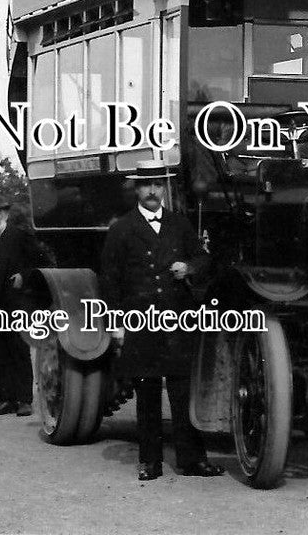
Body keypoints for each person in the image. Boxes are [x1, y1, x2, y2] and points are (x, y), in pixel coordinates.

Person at [99, 160, 223, 481]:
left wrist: (189, 267)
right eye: (146, 185)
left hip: (176, 322)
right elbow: (109, 281)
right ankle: (149, 461)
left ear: (164, 187)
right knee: (148, 394)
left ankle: (192, 460)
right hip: (140, 324)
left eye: (157, 184)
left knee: (183, 393)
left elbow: (203, 258)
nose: (152, 190)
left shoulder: (179, 224)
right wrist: (116, 324)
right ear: (137, 189)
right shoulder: (121, 229)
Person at [0, 193, 43, 417]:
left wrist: (24, 276)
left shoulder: (19, 236)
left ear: (6, 213)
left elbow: (41, 261)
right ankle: (5, 399)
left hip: (15, 304)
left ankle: (24, 399)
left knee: (18, 351)